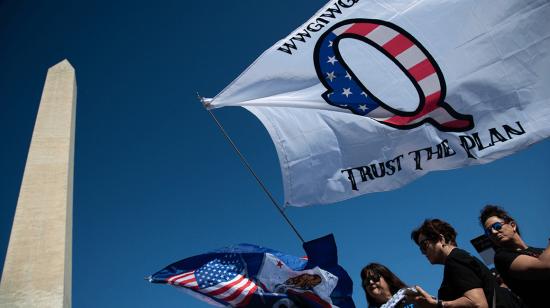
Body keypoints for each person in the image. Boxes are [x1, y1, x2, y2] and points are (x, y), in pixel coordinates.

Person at [408, 219, 521, 308]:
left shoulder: (455, 259)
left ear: (440, 238)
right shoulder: (459, 258)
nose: (423, 253)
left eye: (424, 245)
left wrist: (439, 304)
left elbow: (478, 304)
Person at [479, 205, 550, 307]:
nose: (494, 232)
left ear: (512, 225)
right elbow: (546, 266)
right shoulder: (502, 257)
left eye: (497, 226)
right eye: (488, 232)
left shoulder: (541, 251)